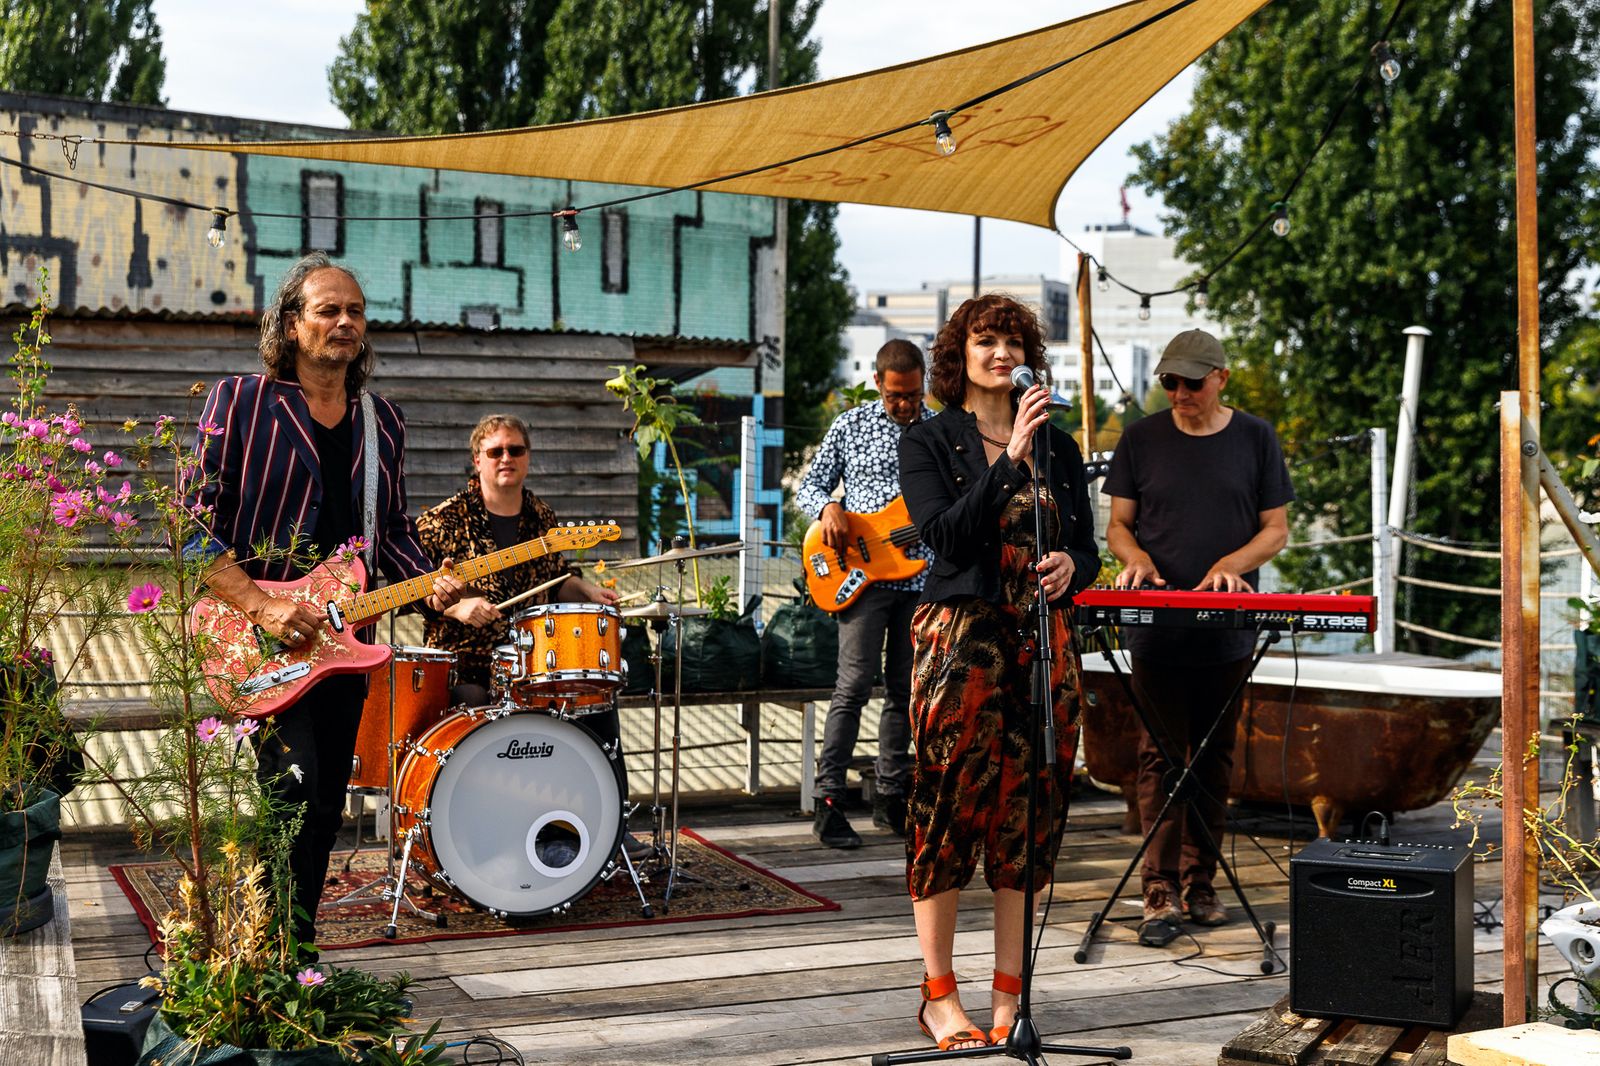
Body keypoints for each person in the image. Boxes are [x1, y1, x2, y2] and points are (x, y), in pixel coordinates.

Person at [186, 252, 464, 954]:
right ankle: (269, 952)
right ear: (291, 324)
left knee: (324, 804)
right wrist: (263, 607)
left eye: (356, 311)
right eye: (328, 310)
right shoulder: (240, 402)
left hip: (345, 639)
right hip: (261, 635)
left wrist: (432, 583)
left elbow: (391, 529)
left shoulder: (383, 420)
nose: (345, 322)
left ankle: (293, 951)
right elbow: (189, 527)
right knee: (293, 789)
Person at [896, 294, 1100, 1050]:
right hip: (961, 647)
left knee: (1028, 817)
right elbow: (945, 540)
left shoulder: (1060, 446)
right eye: (986, 340)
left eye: (1013, 341)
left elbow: (1089, 548)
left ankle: (1010, 995)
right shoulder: (929, 440)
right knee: (947, 812)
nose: (1001, 353)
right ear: (961, 354)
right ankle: (939, 996)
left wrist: (1072, 566)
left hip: (1042, 645)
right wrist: (1009, 458)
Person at [1101, 328, 1293, 947]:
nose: (1179, 393)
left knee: (1214, 757)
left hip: (1228, 626)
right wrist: (1135, 560)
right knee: (1158, 755)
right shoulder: (1140, 438)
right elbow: (1119, 525)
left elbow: (1276, 529)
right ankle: (1156, 889)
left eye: (1191, 382)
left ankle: (1200, 882)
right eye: (1169, 382)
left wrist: (1232, 565)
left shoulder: (1256, 437)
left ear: (1221, 378)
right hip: (1156, 626)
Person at [415, 414, 645, 859]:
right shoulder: (442, 520)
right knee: (472, 709)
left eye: (515, 450)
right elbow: (413, 587)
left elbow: (557, 579)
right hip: (466, 658)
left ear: (528, 457)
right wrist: (459, 607)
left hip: (531, 657)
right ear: (477, 459)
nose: (506, 458)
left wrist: (587, 591)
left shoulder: (542, 517)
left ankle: (606, 824)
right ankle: (472, 838)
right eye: (495, 451)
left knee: (594, 702)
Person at [795, 338, 932, 848]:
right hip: (859, 576)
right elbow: (808, 487)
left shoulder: (939, 431)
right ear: (877, 383)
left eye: (913, 394)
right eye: (896, 395)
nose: (905, 405)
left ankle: (891, 797)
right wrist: (828, 507)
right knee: (852, 687)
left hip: (919, 579)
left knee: (904, 690)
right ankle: (829, 801)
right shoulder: (850, 425)